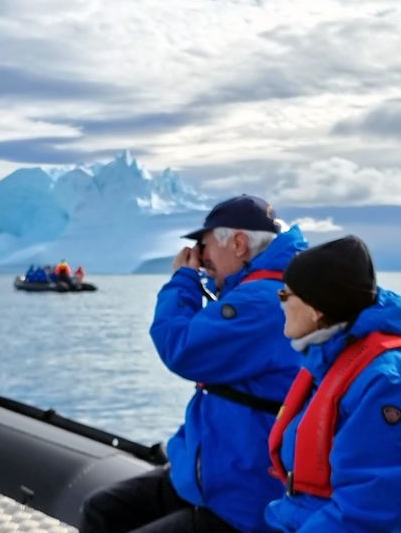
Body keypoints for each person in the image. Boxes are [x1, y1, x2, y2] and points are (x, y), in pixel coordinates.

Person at [81, 194, 307, 533]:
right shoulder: (263, 290)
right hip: (213, 474)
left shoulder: (262, 302)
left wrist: (185, 280)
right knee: (101, 510)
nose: (200, 258)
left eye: (204, 246)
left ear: (240, 244)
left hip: (243, 499)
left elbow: (181, 348)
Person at [266, 235, 401, 530]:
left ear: (317, 308)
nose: (280, 304)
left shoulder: (391, 384)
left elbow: (367, 512)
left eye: (284, 295)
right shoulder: (330, 363)